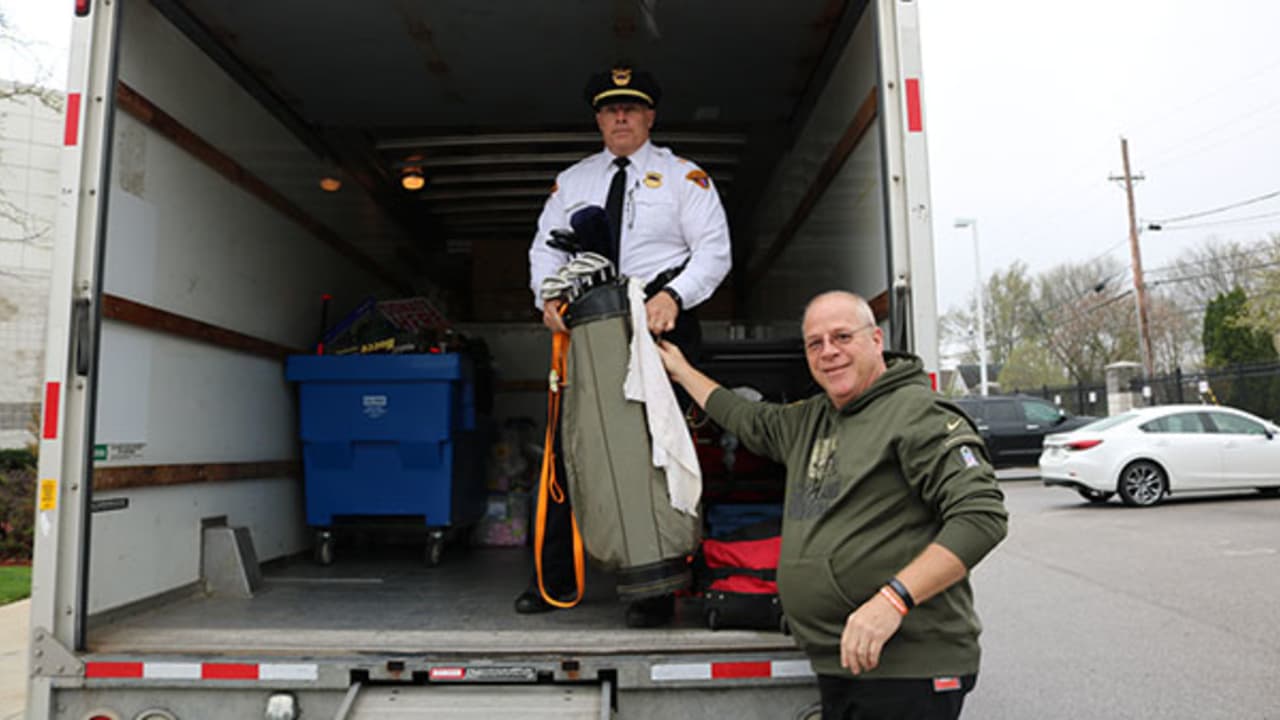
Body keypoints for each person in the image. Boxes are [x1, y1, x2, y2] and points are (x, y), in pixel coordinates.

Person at [656, 291, 1008, 720]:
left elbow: (981, 516)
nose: (829, 352)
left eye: (842, 336)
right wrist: (680, 370)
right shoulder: (813, 418)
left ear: (876, 339)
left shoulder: (918, 414)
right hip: (843, 662)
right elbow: (746, 418)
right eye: (815, 343)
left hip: (908, 670)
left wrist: (892, 601)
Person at [519, 65, 732, 627]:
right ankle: (554, 581)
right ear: (598, 118)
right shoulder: (574, 182)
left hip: (659, 323)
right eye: (611, 109)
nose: (620, 117)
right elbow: (545, 250)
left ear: (649, 116)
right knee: (574, 450)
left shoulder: (684, 178)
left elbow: (714, 252)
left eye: (631, 108)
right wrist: (547, 299)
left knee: (660, 454)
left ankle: (657, 588)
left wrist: (677, 297)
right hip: (587, 329)